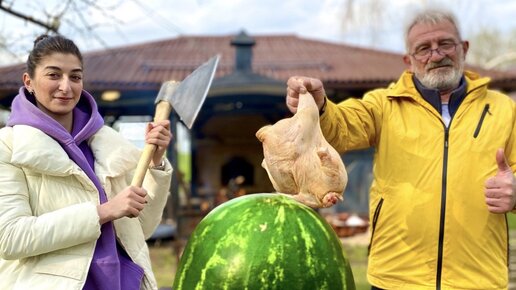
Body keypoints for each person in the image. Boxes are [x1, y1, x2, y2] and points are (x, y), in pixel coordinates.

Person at [286, 8, 516, 290]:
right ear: (409, 61)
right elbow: (340, 128)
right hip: (396, 277)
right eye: (423, 48)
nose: (436, 54)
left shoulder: (505, 109)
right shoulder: (383, 105)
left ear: (463, 48)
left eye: (445, 43)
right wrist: (319, 106)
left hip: (478, 278)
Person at [0, 35, 173, 290]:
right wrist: (103, 211)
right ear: (29, 82)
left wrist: (155, 163)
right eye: (54, 75)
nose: (66, 87)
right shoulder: (9, 145)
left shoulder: (108, 144)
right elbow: (11, 238)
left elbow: (140, 230)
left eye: (75, 77)